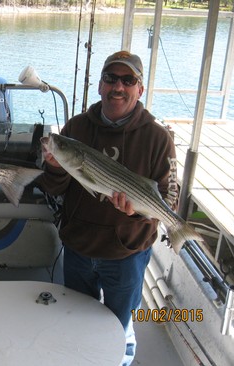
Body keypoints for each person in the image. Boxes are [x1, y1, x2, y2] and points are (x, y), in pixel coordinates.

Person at [37, 50, 178, 365]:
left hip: (126, 254)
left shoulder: (158, 137)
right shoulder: (75, 128)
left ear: (139, 89)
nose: (118, 87)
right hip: (79, 247)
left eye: (128, 80)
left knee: (119, 328)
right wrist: (57, 168)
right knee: (78, 321)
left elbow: (170, 199)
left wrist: (137, 211)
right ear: (99, 85)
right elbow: (54, 189)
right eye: (111, 78)